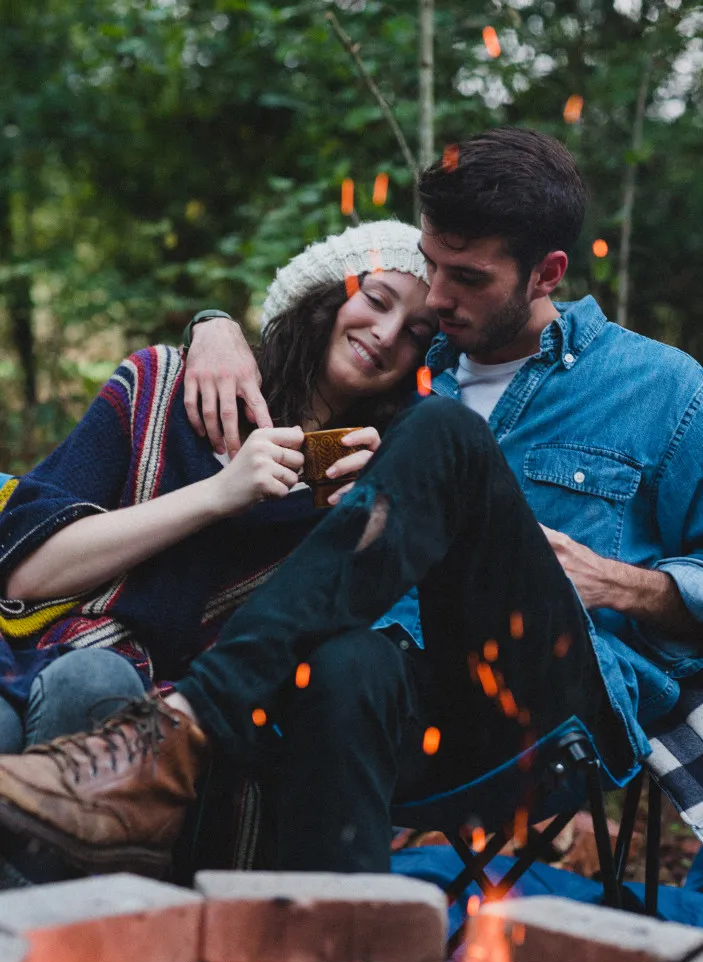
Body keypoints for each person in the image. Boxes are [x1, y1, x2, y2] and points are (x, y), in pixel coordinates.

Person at [0, 127, 702, 880]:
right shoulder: (407, 364)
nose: (435, 297)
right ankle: (335, 958)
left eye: (465, 278)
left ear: (545, 273)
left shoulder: (664, 390)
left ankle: (179, 733)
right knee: (345, 663)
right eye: (428, 265)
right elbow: (302, 352)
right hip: (406, 699)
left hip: (547, 703)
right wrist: (214, 325)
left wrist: (622, 583)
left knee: (443, 432)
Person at [0, 219, 433, 792]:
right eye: (376, 301)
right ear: (325, 295)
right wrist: (217, 495)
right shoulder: (161, 386)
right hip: (29, 658)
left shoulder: (358, 492)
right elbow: (25, 571)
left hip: (187, 732)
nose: (386, 333)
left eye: (416, 334)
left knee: (93, 682)